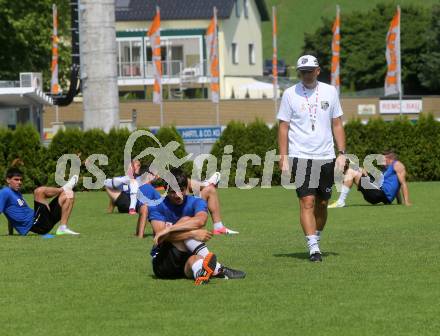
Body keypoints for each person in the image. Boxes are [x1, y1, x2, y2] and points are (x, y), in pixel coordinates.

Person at [277, 55, 346, 262]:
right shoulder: (290, 94)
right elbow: (283, 126)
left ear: (317, 70)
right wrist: (283, 156)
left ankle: (316, 237)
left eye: (309, 70)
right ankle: (313, 247)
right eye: (302, 71)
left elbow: (337, 124)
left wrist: (342, 153)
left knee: (322, 204)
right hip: (300, 155)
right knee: (307, 201)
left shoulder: (330, 91)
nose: (306, 75)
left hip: (326, 155)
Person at [148, 168, 245, 284]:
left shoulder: (195, 201)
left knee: (197, 260)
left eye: (181, 190)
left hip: (186, 259)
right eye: (172, 191)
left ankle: (200, 273)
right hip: (163, 261)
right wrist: (191, 234)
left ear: (186, 188)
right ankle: (219, 269)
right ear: (166, 190)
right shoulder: (156, 205)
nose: (177, 195)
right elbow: (161, 237)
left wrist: (170, 228)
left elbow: (200, 221)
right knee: (186, 220)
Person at [0, 167, 80, 236]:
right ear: (8, 180)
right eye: (16, 180)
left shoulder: (16, 193)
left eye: (21, 180)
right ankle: (63, 188)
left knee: (69, 194)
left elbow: (9, 213)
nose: (19, 182)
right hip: (35, 224)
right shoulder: (4, 192)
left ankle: (63, 228)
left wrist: (10, 232)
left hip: (42, 221)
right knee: (39, 191)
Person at [328, 150, 411, 207]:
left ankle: (340, 201)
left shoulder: (397, 165)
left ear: (390, 158)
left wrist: (406, 202)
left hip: (379, 194)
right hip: (378, 194)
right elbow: (396, 185)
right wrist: (399, 202)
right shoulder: (388, 169)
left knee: (351, 172)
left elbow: (403, 183)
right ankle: (346, 160)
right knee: (360, 170)